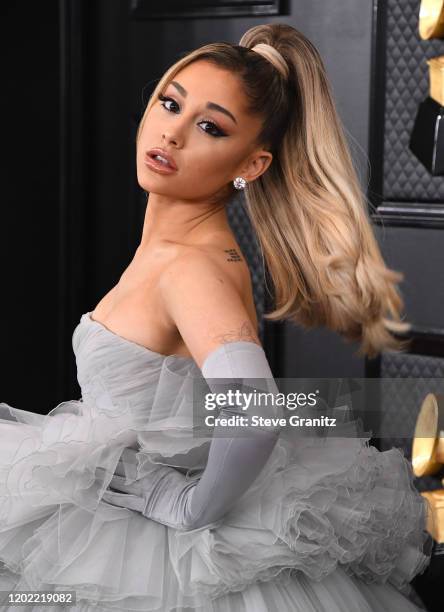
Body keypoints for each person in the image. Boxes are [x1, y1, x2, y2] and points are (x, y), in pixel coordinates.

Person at [0, 23, 433, 612]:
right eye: (170, 103)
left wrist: (189, 506)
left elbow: (254, 413)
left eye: (209, 127)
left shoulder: (191, 270)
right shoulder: (175, 250)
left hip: (155, 557)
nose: (171, 133)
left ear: (251, 165)